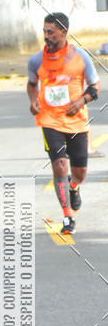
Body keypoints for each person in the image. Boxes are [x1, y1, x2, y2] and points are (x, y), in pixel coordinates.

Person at [27, 12, 100, 234]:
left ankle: (73, 186)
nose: (46, 36)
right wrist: (33, 100)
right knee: (59, 165)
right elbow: (32, 84)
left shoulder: (81, 57)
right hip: (49, 120)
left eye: (51, 32)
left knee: (80, 172)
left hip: (76, 121)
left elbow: (95, 87)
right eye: (44, 31)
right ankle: (68, 217)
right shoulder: (36, 60)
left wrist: (81, 101)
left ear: (63, 32)